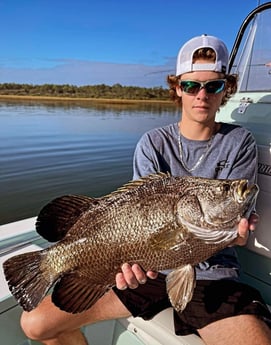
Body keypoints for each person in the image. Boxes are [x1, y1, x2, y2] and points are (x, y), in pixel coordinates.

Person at [20, 34, 271, 345]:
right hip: (147, 273)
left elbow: (233, 220)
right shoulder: (153, 143)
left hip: (212, 276)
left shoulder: (239, 142)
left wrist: (234, 231)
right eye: (191, 86)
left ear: (225, 89)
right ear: (178, 88)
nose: (201, 95)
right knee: (36, 324)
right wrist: (129, 267)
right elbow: (136, 226)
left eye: (213, 85)